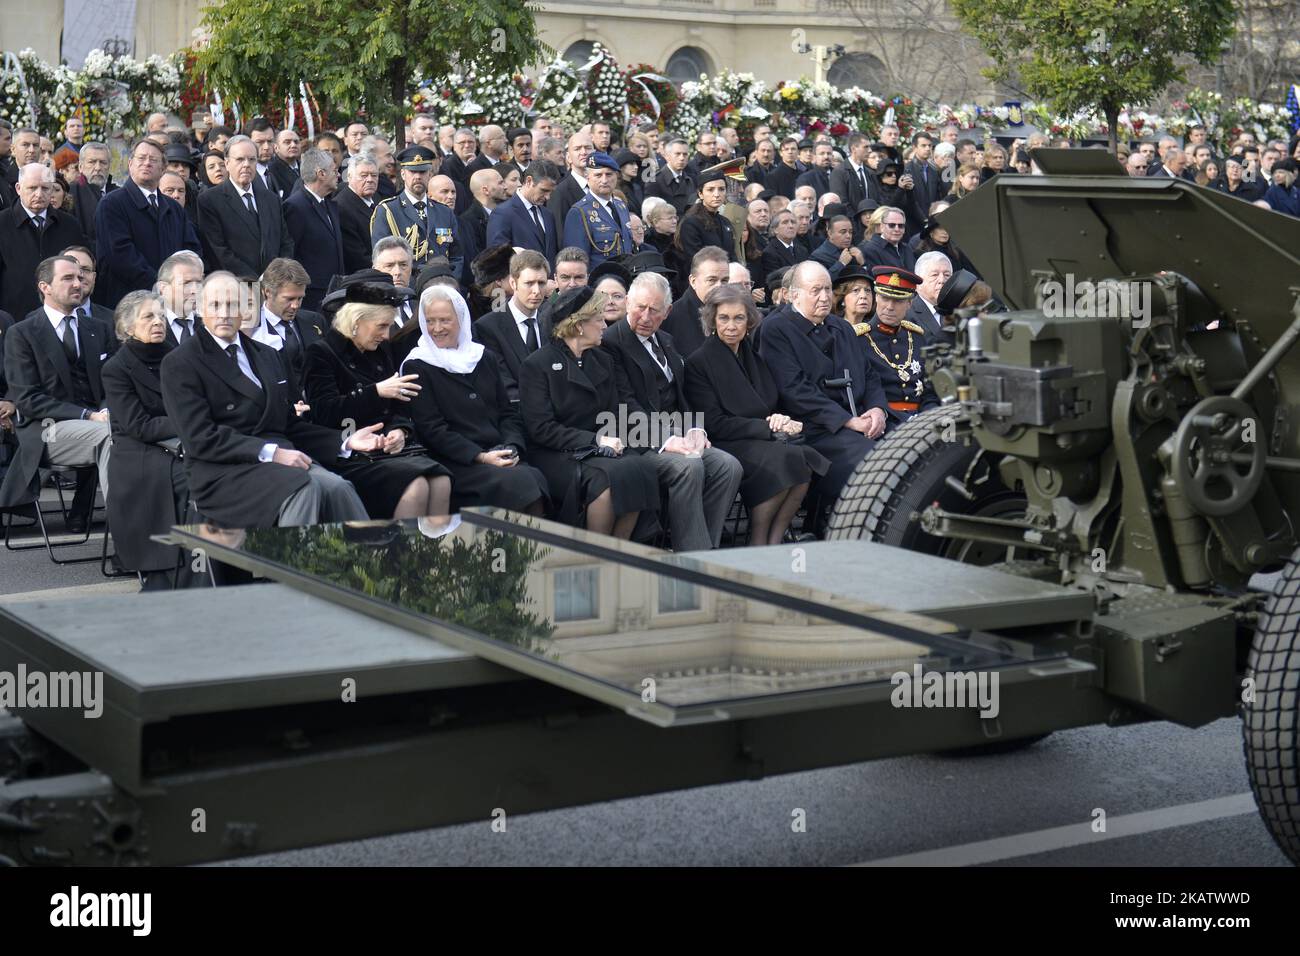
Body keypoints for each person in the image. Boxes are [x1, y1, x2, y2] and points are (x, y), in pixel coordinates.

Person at [159, 271, 378, 528]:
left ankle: (367, 561)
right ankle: (291, 567)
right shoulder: (180, 363)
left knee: (339, 488)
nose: (224, 313)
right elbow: (200, 438)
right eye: (215, 305)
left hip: (280, 458)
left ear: (246, 310)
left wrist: (345, 440)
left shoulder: (267, 355)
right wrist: (272, 454)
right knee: (303, 489)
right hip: (222, 470)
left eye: (232, 304)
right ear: (200, 309)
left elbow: (288, 424)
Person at [603, 272, 743, 550]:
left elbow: (683, 394)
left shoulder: (665, 340)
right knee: (689, 466)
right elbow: (623, 404)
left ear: (667, 312)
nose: (644, 316)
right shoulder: (611, 343)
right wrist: (665, 439)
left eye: (653, 310)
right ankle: (693, 556)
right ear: (628, 303)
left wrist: (695, 430)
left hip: (676, 431)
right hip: (636, 441)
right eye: (639, 307)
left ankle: (707, 546)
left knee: (728, 466)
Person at [683, 284, 826, 544]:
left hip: (762, 437)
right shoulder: (699, 362)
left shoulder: (752, 355)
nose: (731, 326)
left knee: (805, 459)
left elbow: (770, 403)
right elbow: (713, 423)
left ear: (748, 320)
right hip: (728, 441)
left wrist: (780, 420)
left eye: (739, 318)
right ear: (712, 320)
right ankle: (759, 541)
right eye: (724, 318)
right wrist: (766, 427)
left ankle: (774, 538)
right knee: (784, 460)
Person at [301, 280, 451, 519]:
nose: (386, 335)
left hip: (387, 452)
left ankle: (435, 553)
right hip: (350, 454)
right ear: (357, 322)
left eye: (389, 326)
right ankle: (401, 554)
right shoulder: (321, 353)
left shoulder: (380, 352)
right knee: (416, 487)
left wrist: (400, 432)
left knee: (441, 480)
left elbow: (399, 409)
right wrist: (375, 392)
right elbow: (324, 412)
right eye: (381, 326)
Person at [520, 286, 658, 538]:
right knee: (605, 482)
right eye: (598, 319)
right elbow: (542, 429)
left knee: (640, 469)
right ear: (579, 325)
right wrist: (595, 441)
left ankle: (619, 553)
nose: (605, 325)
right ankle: (594, 556)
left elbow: (615, 411)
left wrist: (617, 439)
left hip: (600, 448)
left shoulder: (602, 360)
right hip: (556, 453)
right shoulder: (538, 365)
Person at [400, 284, 548, 514]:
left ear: (461, 319)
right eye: (430, 321)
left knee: (534, 477)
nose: (436, 328)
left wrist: (511, 446)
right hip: (457, 462)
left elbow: (507, 413)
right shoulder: (417, 365)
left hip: (498, 452)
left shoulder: (482, 357)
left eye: (444, 320)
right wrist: (480, 456)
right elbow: (432, 429)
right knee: (521, 484)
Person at [757, 261, 887, 516]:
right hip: (814, 428)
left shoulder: (841, 327)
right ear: (794, 295)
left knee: (909, 448)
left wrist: (877, 409)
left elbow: (869, 374)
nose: (825, 297)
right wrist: (847, 421)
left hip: (860, 419)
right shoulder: (775, 329)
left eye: (828, 289)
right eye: (816, 290)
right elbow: (794, 391)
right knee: (873, 463)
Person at [0, 255, 114, 528]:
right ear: (45, 287)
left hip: (98, 422)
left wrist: (108, 409)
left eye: (80, 276)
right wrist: (88, 415)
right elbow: (28, 400)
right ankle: (127, 535)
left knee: (138, 433)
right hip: (46, 430)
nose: (79, 282)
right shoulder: (22, 333)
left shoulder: (98, 328)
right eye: (68, 278)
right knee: (114, 436)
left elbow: (114, 382)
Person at [100, 290, 190, 585]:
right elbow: (139, 426)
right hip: (139, 452)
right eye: (148, 316)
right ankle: (175, 568)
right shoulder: (115, 369)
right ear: (127, 327)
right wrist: (190, 423)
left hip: (180, 442)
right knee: (194, 478)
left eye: (162, 316)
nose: (158, 322)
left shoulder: (179, 359)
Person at [94, 137, 202, 308]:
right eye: (141, 158)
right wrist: (159, 286)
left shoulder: (174, 208)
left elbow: (191, 249)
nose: (147, 163)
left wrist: (180, 284)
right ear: (130, 164)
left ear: (163, 168)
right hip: (129, 301)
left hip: (174, 301)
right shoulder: (112, 203)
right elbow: (120, 255)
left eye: (153, 159)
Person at [0, 163, 88, 319]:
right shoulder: (2, 224)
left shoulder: (70, 225)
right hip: (12, 318)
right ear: (19, 189)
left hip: (62, 317)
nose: (39, 194)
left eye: (45, 188)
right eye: (32, 188)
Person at [197, 134, 293, 277]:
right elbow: (218, 250)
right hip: (237, 286)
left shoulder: (271, 199)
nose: (247, 164)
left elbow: (285, 242)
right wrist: (255, 281)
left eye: (252, 159)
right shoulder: (210, 200)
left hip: (274, 285)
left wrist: (277, 276)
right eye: (240, 159)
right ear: (227, 163)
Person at [472, 250, 552, 402]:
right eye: (529, 283)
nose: (536, 291)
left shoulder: (552, 322)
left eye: (541, 283)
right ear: (513, 283)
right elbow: (503, 386)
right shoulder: (488, 328)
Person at [371, 145, 463, 277]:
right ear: (403, 174)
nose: (418, 176)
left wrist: (450, 282)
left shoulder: (444, 212)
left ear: (430, 174)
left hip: (441, 283)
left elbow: (456, 256)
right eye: (412, 172)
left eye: (422, 172)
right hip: (407, 286)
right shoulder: (388, 211)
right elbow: (382, 259)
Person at [865, 265, 940, 423]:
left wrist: (928, 417)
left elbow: (929, 390)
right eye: (885, 298)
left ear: (910, 304)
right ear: (876, 297)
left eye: (898, 301)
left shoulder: (917, 337)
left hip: (921, 418)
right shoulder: (858, 339)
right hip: (884, 421)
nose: (890, 307)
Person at [284, 148, 346, 310]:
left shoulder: (330, 204)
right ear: (321, 174)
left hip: (334, 291)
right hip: (311, 295)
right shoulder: (295, 206)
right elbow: (291, 253)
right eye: (334, 171)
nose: (338, 175)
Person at [249, 257, 325, 383]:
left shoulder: (315, 320)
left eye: (300, 298)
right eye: (289, 299)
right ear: (267, 292)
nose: (296, 305)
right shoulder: (250, 329)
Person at [563, 152, 634, 271]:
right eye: (598, 175)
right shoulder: (579, 212)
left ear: (616, 176)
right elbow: (577, 261)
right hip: (599, 284)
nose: (604, 180)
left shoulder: (621, 206)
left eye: (609, 174)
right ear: (587, 177)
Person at [486, 159, 560, 267]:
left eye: (551, 192)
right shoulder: (503, 213)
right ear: (529, 181)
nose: (548, 197)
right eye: (544, 190)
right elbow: (496, 257)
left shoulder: (548, 214)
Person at [662, 245, 729, 359]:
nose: (719, 286)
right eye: (712, 280)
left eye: (724, 280)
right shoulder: (672, 318)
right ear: (693, 281)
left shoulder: (732, 312)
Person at [674, 168, 737, 269]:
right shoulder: (691, 223)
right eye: (710, 189)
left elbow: (732, 255)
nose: (716, 194)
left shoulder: (725, 222)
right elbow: (696, 260)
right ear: (700, 194)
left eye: (721, 189)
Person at [337, 153, 381, 273]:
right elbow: (356, 256)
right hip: (363, 276)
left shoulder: (377, 198)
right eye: (364, 175)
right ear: (349, 177)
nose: (370, 180)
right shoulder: (342, 207)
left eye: (374, 175)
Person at [67, 141, 115, 241]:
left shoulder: (119, 193)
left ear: (109, 167)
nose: (98, 168)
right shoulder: (70, 193)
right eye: (92, 162)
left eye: (103, 162)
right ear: (80, 167)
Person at [645, 138, 696, 216]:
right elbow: (651, 213)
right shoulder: (655, 181)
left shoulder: (689, 180)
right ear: (667, 156)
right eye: (677, 154)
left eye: (685, 154)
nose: (682, 158)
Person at [858, 205, 917, 272]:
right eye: (891, 225)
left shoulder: (907, 249)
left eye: (901, 226)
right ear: (882, 227)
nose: (897, 229)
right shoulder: (870, 250)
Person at [833, 263, 875, 333]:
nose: (863, 296)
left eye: (867, 290)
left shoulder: (876, 332)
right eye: (856, 290)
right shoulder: (834, 331)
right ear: (842, 298)